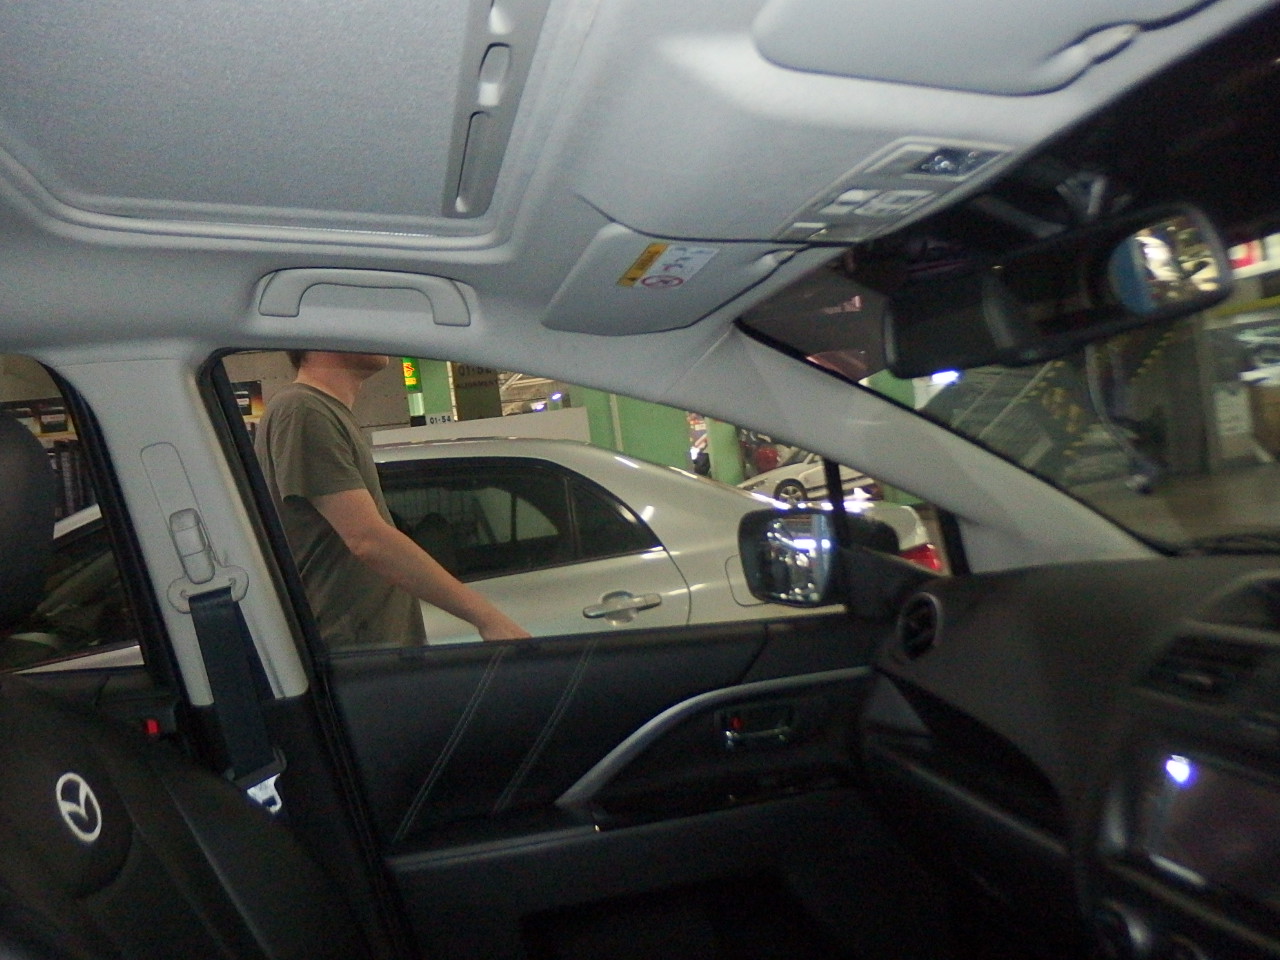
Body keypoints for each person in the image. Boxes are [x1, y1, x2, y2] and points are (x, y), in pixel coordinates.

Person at [254, 350, 530, 647]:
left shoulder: (321, 410)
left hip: (370, 644)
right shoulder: (304, 409)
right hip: (353, 649)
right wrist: (487, 618)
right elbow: (368, 539)